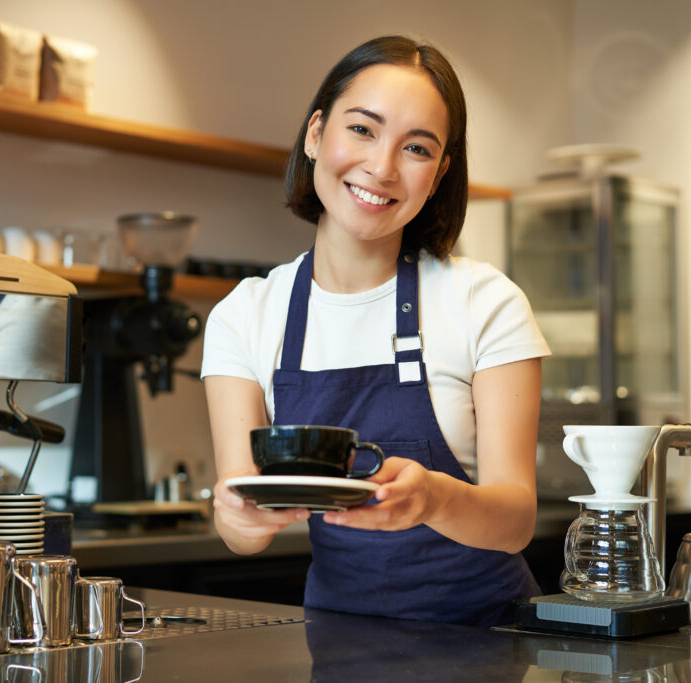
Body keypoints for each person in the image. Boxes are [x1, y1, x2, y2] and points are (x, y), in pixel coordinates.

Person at [200, 35, 551, 626]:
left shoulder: (485, 301)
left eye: (416, 148)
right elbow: (241, 526)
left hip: (488, 639)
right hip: (339, 641)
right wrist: (237, 519)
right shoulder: (244, 315)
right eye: (362, 129)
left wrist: (435, 498)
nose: (382, 168)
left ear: (438, 174)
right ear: (316, 134)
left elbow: (515, 521)